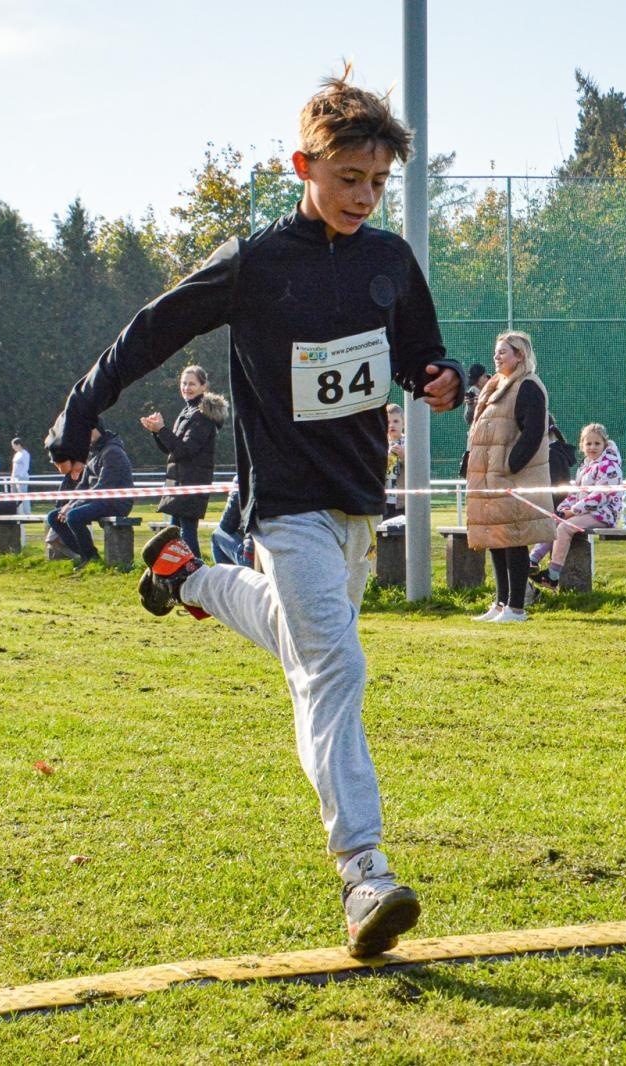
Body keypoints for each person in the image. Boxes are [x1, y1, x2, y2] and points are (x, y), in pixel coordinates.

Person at [45, 71, 463, 958]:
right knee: (334, 670)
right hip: (284, 504)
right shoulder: (256, 262)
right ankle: (364, 874)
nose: (363, 195)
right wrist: (81, 409)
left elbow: (420, 353)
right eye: (349, 177)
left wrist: (439, 378)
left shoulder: (390, 260)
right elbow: (149, 330)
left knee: (302, 642)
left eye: (378, 183)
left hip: (358, 502)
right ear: (302, 166)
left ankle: (185, 574)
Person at [466, 331, 551, 622]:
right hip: (491, 478)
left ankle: (517, 607)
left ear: (520, 355)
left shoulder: (528, 386)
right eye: (496, 351)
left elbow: (533, 431)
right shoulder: (495, 386)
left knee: (514, 539)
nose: (497, 356)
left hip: (512, 478)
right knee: (496, 537)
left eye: (504, 351)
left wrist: (510, 465)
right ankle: (501, 603)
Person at [142, 366, 228, 556]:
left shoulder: (202, 416)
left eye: (192, 384)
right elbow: (170, 449)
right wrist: (156, 432)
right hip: (179, 483)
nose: (186, 388)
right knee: (176, 538)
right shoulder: (187, 411)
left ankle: (196, 574)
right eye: (184, 383)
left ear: (203, 386)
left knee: (186, 535)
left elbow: (185, 451)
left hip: (191, 483)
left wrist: (162, 430)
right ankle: (183, 575)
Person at [530, 423, 622, 591]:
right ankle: (533, 560)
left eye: (597, 444)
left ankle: (553, 576)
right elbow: (575, 494)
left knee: (565, 527)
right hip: (585, 511)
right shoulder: (585, 466)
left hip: (604, 514)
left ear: (604, 444)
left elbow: (599, 496)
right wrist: (563, 509)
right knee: (556, 520)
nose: (592, 447)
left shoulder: (610, 466)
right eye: (588, 444)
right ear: (582, 445)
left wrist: (573, 511)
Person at [45, 421, 134, 569]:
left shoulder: (113, 452)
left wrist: (72, 506)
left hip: (115, 502)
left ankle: (89, 556)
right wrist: (68, 504)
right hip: (98, 500)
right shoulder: (94, 452)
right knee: (53, 517)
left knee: (73, 516)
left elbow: (103, 487)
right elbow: (83, 485)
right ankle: (87, 554)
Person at [382, 403, 406, 520]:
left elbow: (418, 470)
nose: (392, 425)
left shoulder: (410, 442)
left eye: (396, 421)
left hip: (403, 502)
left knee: (402, 534)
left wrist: (403, 456)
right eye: (388, 422)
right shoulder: (380, 443)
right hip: (384, 501)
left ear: (404, 423)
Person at [9, 436, 34, 515]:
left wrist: (20, 476)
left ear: (18, 444)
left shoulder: (25, 454)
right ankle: (16, 511)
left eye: (14, 445)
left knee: (23, 494)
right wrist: (12, 477)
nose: (13, 447)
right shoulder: (16, 454)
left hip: (22, 477)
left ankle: (27, 512)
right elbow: (14, 467)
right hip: (14, 477)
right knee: (14, 495)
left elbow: (26, 467)